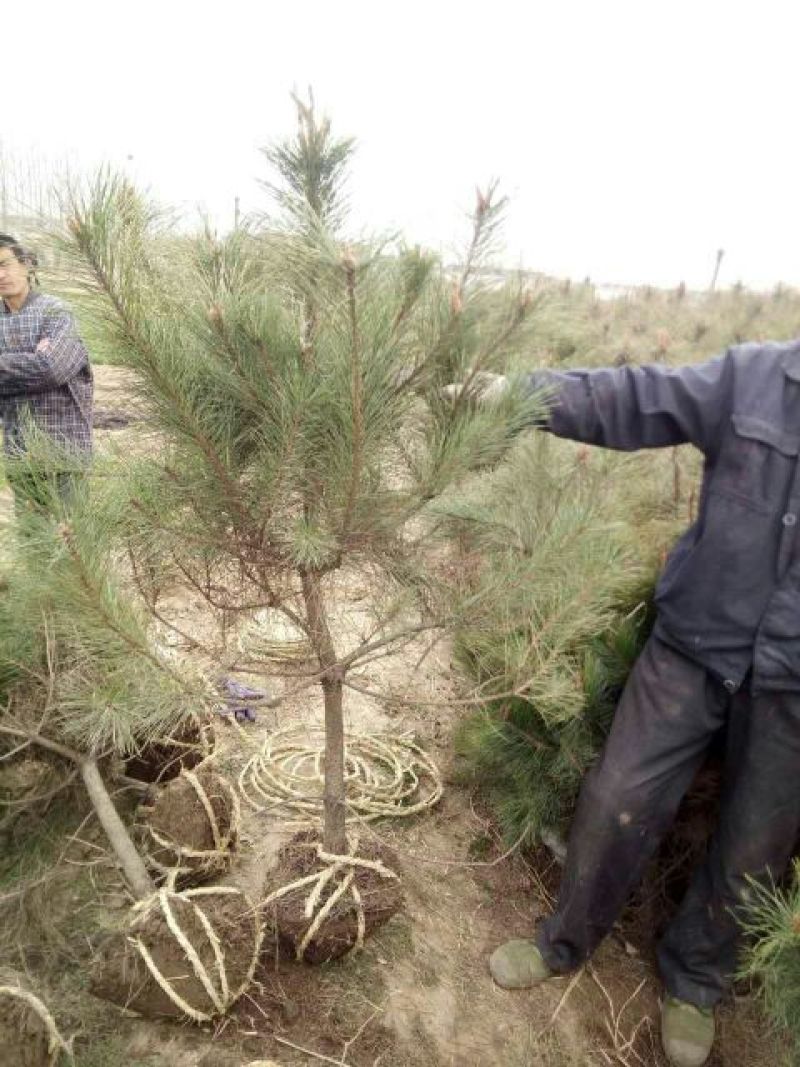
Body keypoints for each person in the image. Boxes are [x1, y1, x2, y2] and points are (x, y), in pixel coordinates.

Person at [464, 345, 800, 1067]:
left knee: (754, 845)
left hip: (794, 681)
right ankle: (565, 938)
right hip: (694, 643)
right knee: (618, 794)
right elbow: (635, 397)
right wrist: (518, 391)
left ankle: (696, 979)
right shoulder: (752, 379)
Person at [0, 233, 92, 509]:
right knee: (33, 541)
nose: (0, 274)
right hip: (20, 451)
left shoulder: (56, 312)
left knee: (73, 542)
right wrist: (31, 361)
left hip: (65, 447)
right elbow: (40, 368)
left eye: (5, 264)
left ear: (26, 264)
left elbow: (51, 369)